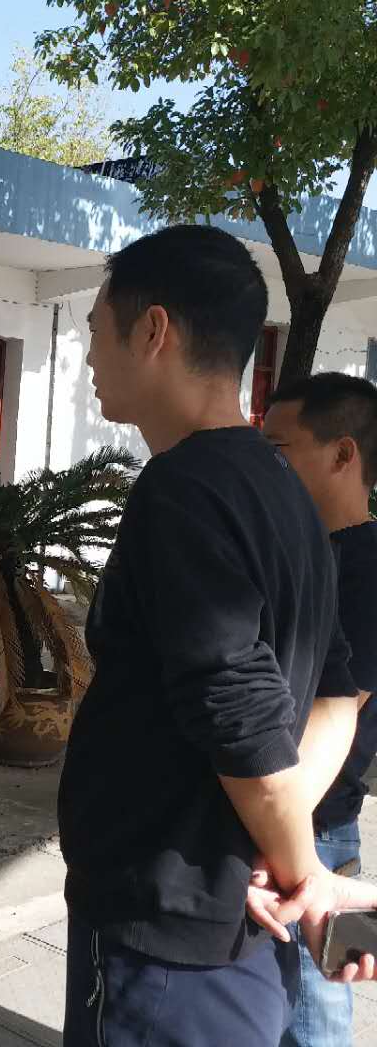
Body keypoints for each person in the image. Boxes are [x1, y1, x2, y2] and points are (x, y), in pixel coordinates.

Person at [58, 225, 376, 1047]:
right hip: (233, 927)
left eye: (96, 329)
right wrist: (283, 849)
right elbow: (337, 693)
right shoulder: (282, 485)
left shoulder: (183, 491)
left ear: (153, 330)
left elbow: (241, 717)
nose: (89, 356)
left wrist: (301, 869)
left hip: (164, 948)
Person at [260, 373, 377, 1047]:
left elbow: (335, 712)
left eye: (278, 448)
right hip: (277, 813)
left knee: (312, 1019)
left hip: (316, 825)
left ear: (342, 454)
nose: (265, 465)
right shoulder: (299, 552)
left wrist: (273, 830)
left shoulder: (366, 569)